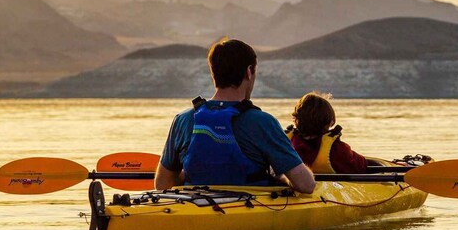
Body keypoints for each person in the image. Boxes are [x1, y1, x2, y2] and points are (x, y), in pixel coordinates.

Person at [155, 39, 316, 194]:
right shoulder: (262, 122)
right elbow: (305, 185)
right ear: (249, 72)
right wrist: (279, 178)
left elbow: (163, 184)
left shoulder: (183, 119)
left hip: (193, 209)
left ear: (214, 73)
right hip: (248, 212)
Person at [287, 92, 368, 174]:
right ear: (330, 122)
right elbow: (361, 166)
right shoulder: (337, 149)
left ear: (295, 120)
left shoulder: (283, 144)